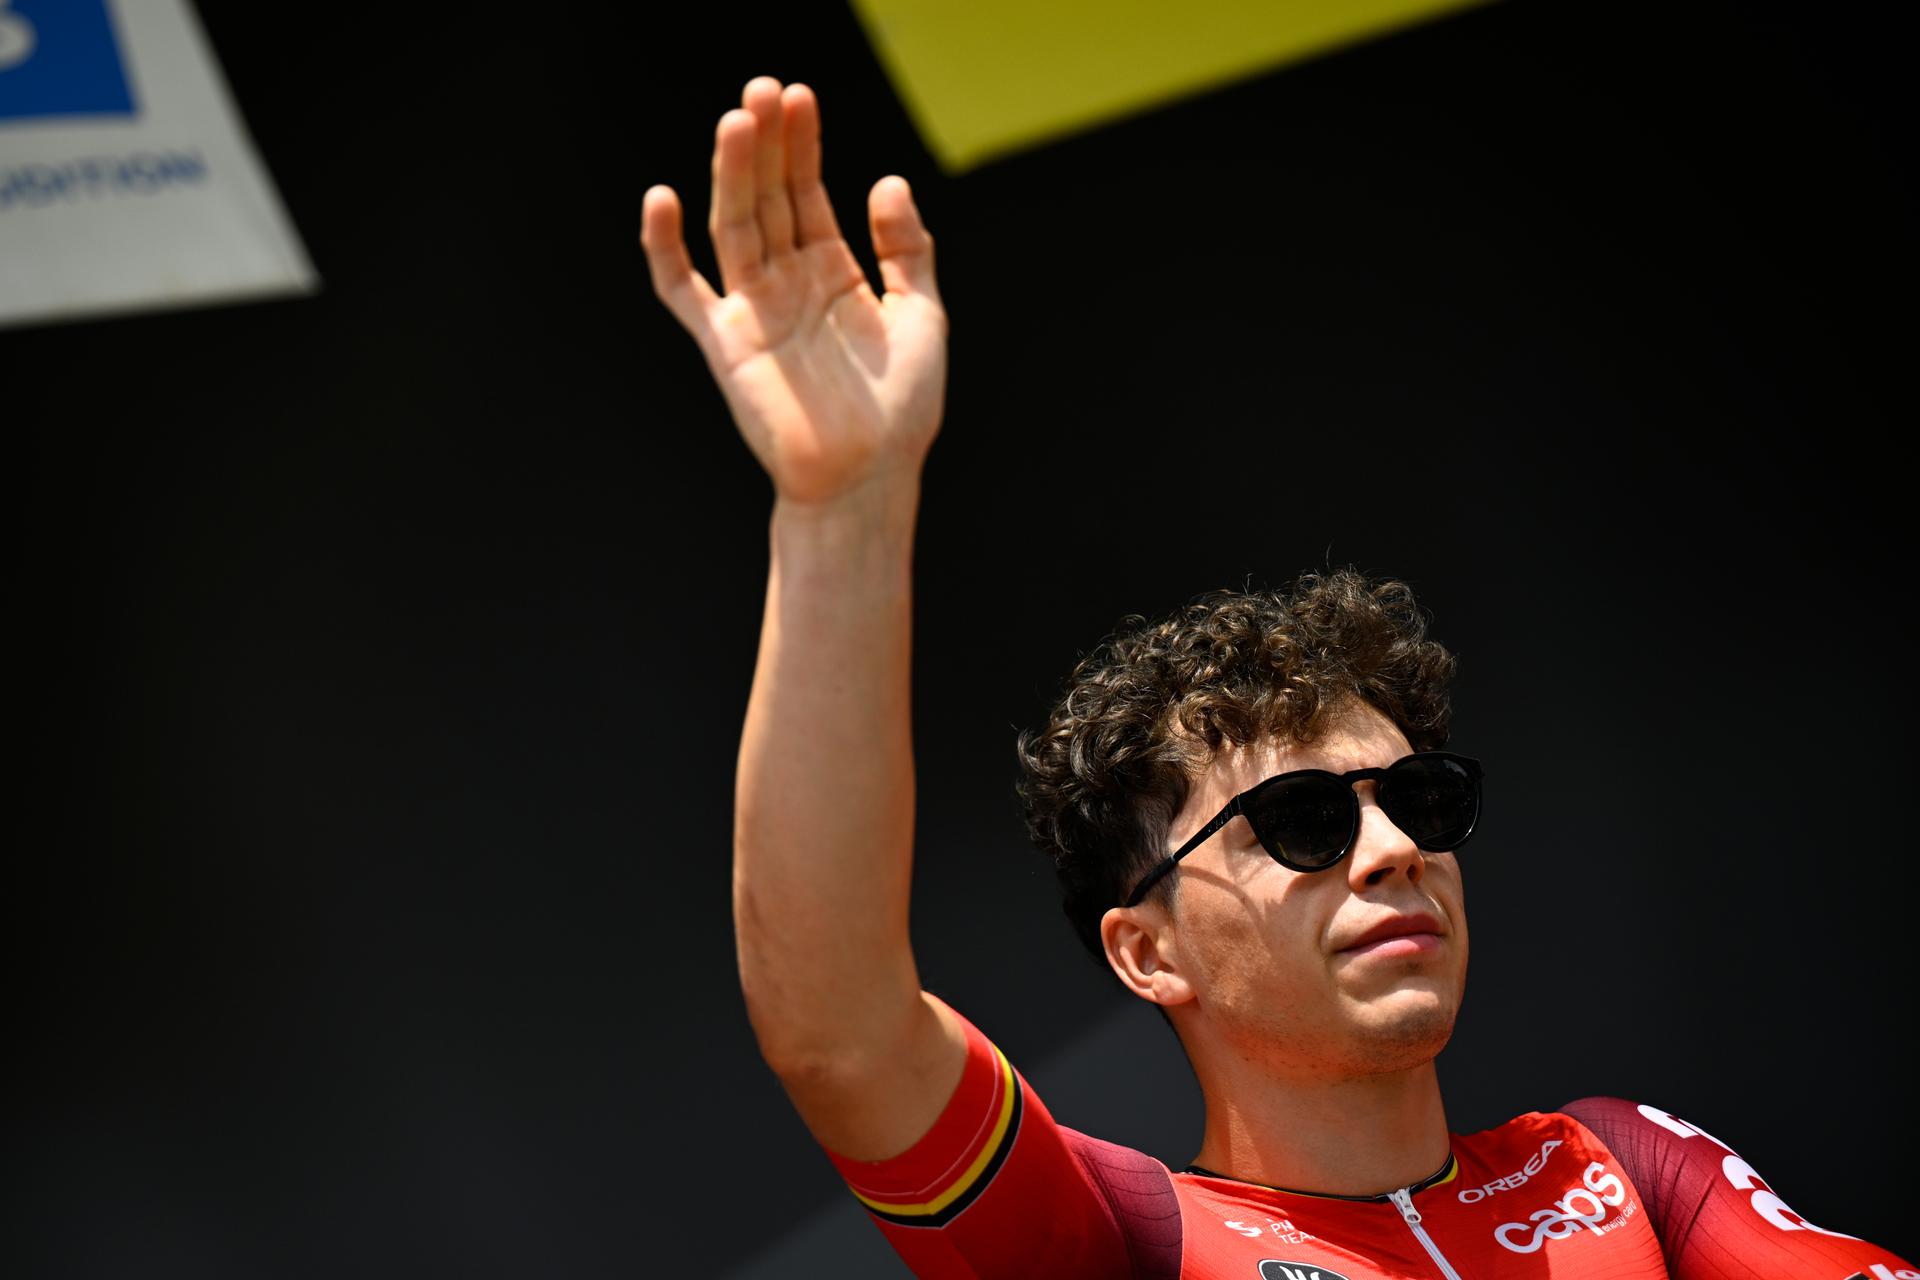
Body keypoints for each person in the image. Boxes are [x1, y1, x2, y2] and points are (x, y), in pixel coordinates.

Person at [640, 76, 1915, 1279]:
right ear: (1146, 952)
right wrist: (845, 508)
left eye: (1417, 800)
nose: (1389, 850)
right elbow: (834, 1026)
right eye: (1300, 820)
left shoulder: (1622, 1167)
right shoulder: (1121, 1240)